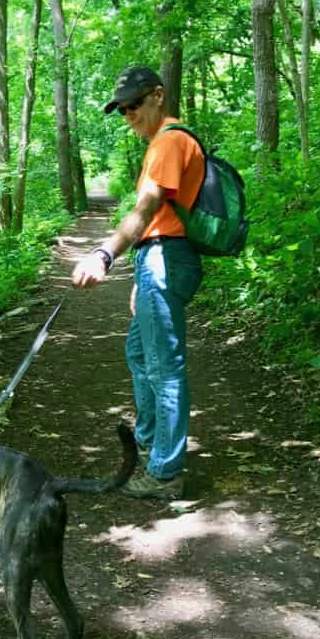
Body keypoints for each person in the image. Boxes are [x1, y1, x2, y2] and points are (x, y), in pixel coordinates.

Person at [72, 65, 204, 500]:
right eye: (122, 109)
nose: (128, 115)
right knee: (138, 352)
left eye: (134, 105)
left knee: (165, 368)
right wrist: (141, 274)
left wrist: (105, 253)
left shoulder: (168, 141)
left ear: (158, 97)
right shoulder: (161, 144)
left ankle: (165, 471)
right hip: (159, 257)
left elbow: (146, 210)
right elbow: (157, 220)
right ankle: (150, 440)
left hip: (166, 256)